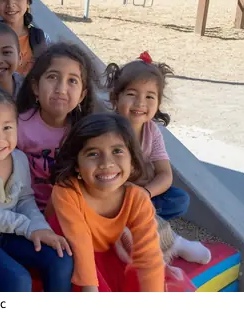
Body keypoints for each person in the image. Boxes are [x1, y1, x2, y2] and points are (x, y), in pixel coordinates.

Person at [0, 87, 74, 292]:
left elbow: (25, 200)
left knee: (61, 258)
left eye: (7, 127)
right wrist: (28, 229)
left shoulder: (19, 158)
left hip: (11, 234)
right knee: (19, 279)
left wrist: (42, 229)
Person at [105, 51, 211, 264]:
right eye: (132, 94)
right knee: (123, 207)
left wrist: (146, 192)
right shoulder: (107, 129)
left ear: (158, 103)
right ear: (116, 98)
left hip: (143, 195)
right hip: (113, 196)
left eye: (149, 97)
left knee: (179, 199)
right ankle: (174, 242)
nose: (140, 103)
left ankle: (143, 226)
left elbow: (165, 175)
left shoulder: (151, 131)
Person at [49, 113, 165, 292]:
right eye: (93, 153)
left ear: (132, 160)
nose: (106, 163)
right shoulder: (66, 191)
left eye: (117, 151)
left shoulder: (137, 199)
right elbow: (80, 244)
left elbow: (149, 258)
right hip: (68, 257)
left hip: (107, 257)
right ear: (77, 165)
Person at [16, 42, 98, 212]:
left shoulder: (86, 133)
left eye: (72, 81)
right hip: (26, 210)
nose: (61, 89)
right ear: (35, 87)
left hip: (72, 210)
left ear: (82, 95)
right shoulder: (18, 127)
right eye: (52, 77)